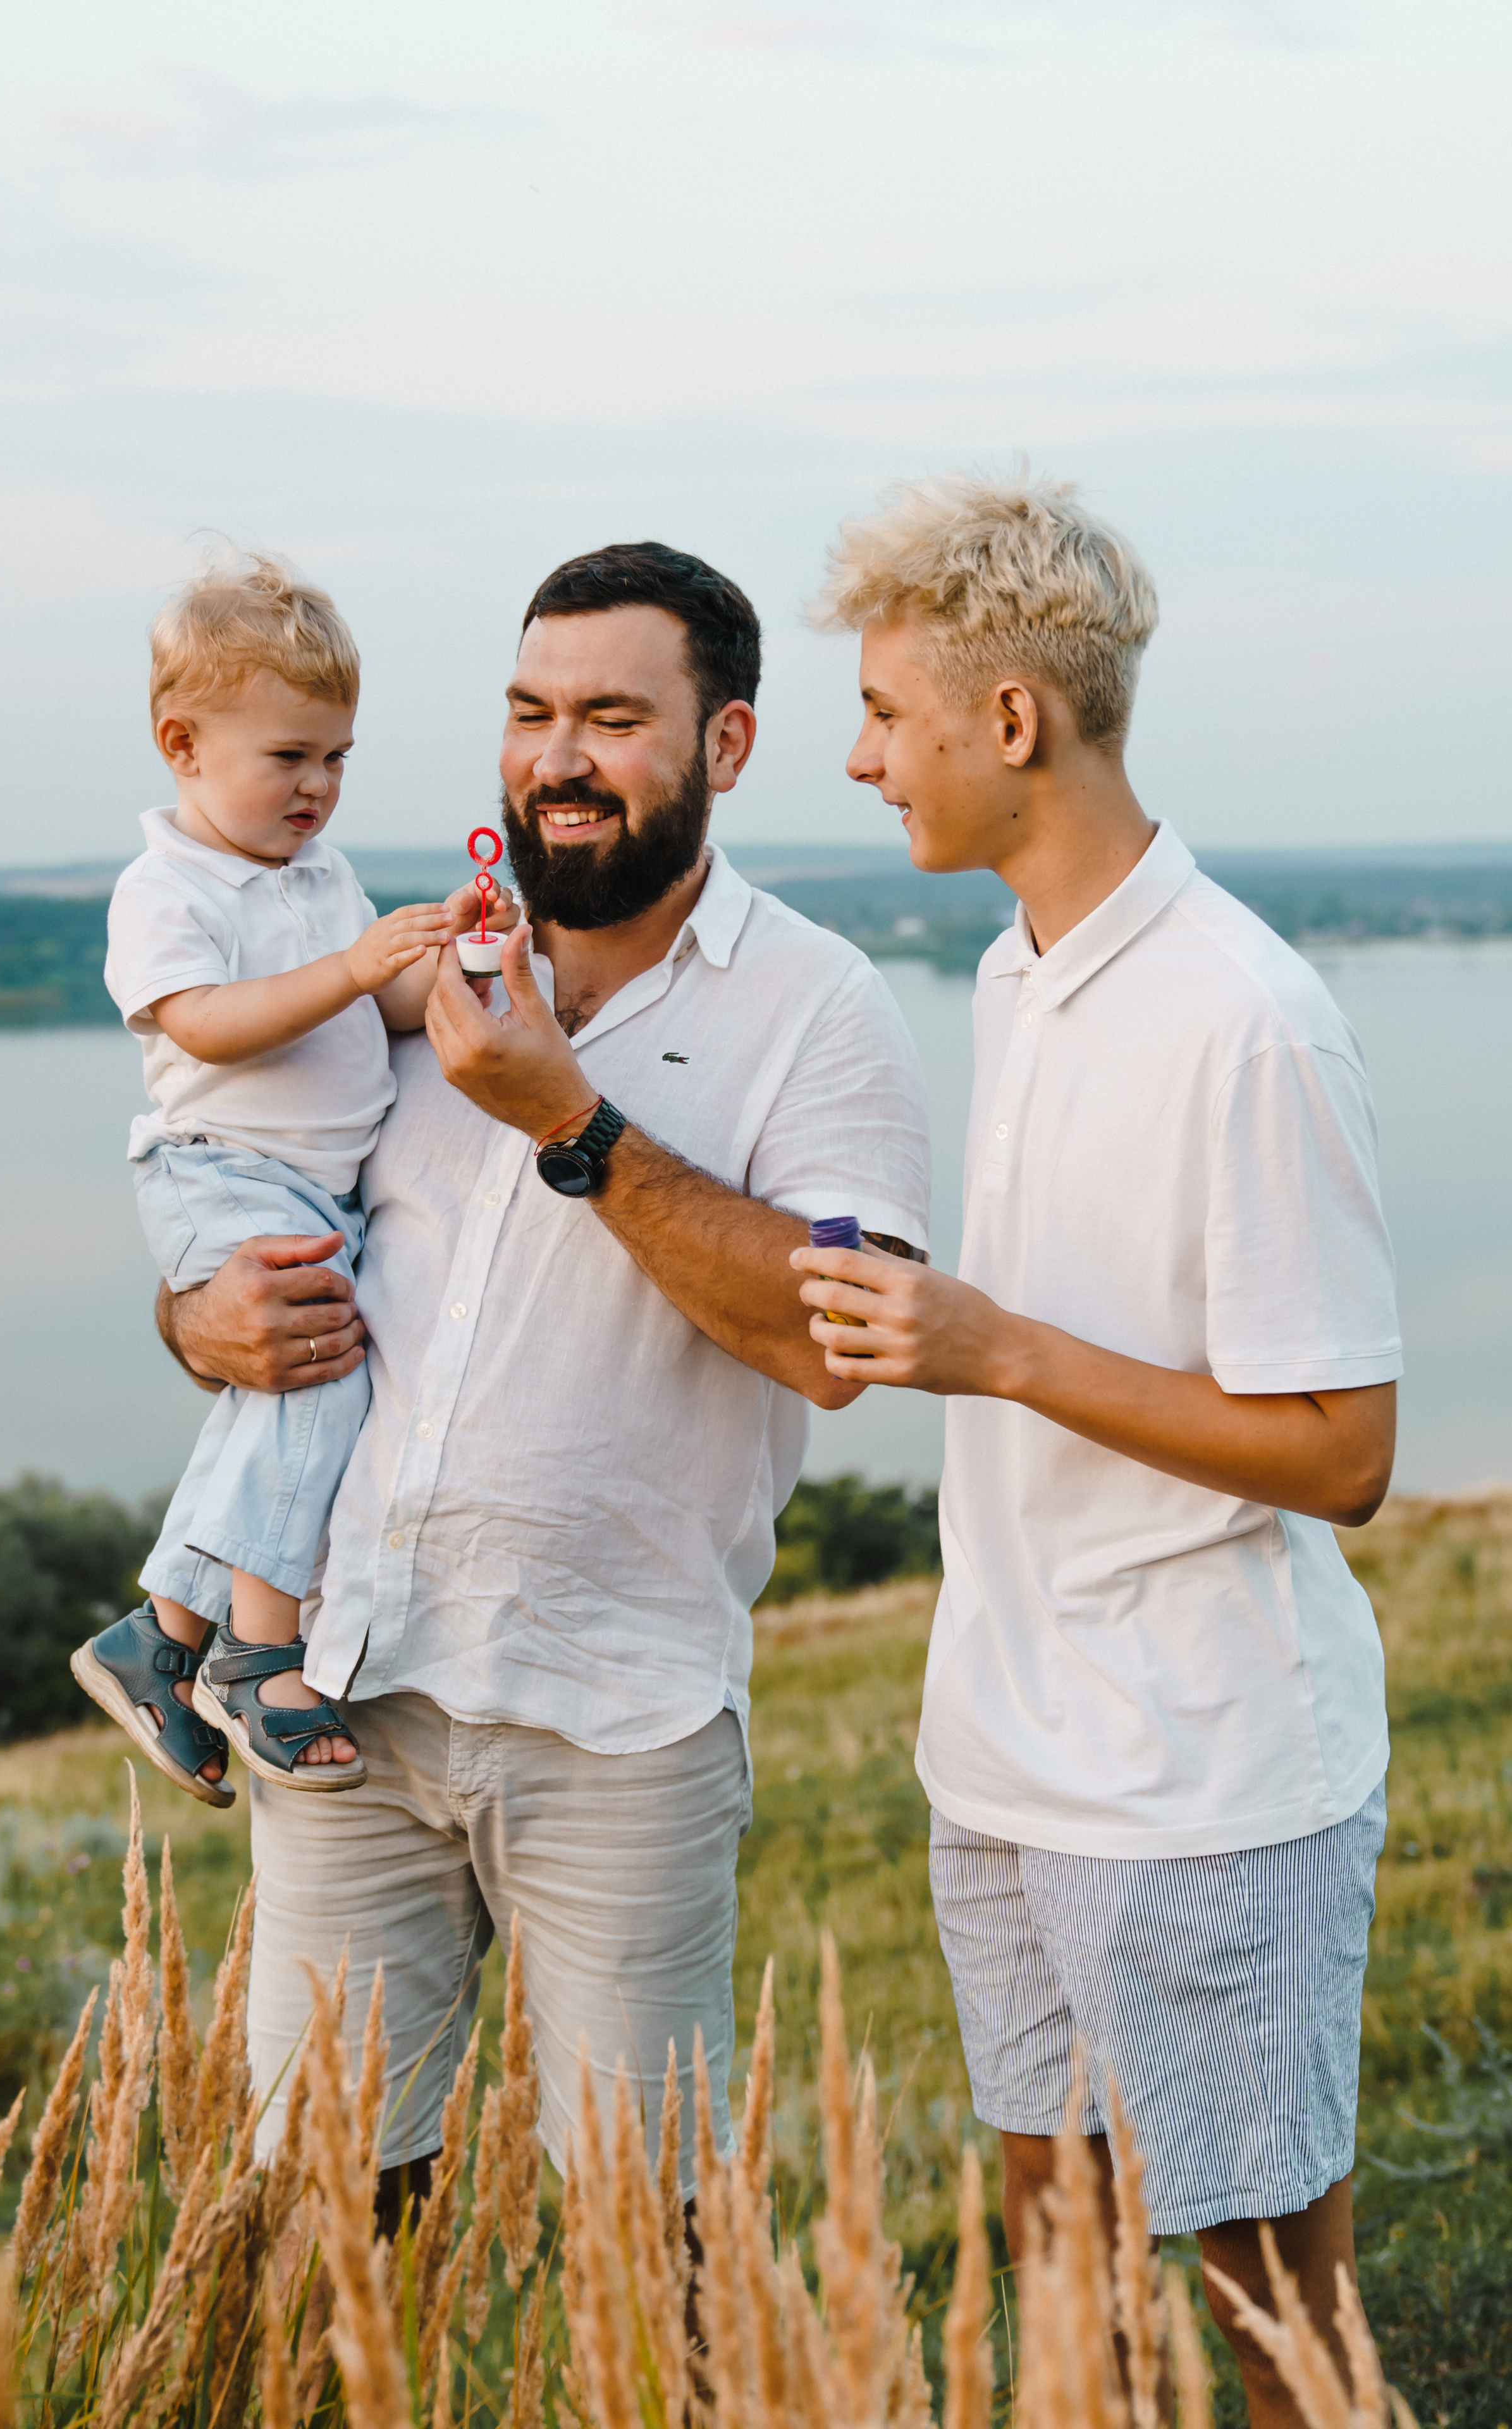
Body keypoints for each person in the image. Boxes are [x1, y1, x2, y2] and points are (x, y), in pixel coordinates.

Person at [152, 541, 933, 2201]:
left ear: (723, 746)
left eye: (609, 717)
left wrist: (564, 1116)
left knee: (650, 2249)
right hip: (346, 1698)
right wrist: (194, 1321)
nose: (556, 757)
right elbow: (239, 1177)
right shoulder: (411, 955)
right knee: (324, 2228)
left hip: (618, 1724)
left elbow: (840, 1342)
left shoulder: (819, 1009)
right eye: (529, 712)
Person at [792, 475, 1401, 2428]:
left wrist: (997, 1347)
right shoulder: (1019, 970)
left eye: (890, 711)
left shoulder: (1251, 1021)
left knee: (1276, 2333)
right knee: (1068, 2312)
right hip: (1008, 1754)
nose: (863, 751)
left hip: (1206, 1782)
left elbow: (1344, 1454)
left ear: (1012, 723)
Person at [73, 553, 508, 1805]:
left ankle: (161, 1634)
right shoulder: (168, 888)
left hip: (312, 1190)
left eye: (336, 759)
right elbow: (204, 1023)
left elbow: (403, 1008)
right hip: (223, 1172)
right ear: (184, 744)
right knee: (321, 1375)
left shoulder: (323, 878)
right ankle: (262, 1659)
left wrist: (464, 956)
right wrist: (355, 966)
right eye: (289, 758)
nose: (317, 787)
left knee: (278, 1398)